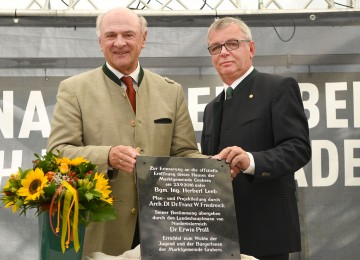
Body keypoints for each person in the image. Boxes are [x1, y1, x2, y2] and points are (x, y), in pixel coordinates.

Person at [47, 7, 203, 256]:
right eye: (111, 35)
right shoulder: (74, 89)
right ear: (100, 42)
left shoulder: (171, 91)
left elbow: (184, 153)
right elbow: (58, 153)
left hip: (162, 230)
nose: (119, 42)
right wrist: (107, 156)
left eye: (128, 34)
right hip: (103, 230)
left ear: (144, 38)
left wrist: (217, 166)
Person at [201, 17, 311, 260]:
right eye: (216, 48)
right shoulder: (211, 108)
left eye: (232, 43)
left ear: (250, 49)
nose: (224, 52)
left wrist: (250, 161)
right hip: (219, 236)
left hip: (266, 232)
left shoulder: (278, 88)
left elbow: (298, 148)